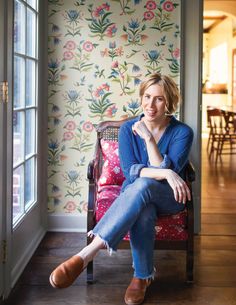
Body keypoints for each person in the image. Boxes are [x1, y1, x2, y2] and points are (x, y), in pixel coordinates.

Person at [49, 73, 194, 305]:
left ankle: (86, 254)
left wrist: (149, 140)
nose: (150, 104)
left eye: (159, 99)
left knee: (145, 183)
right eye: (147, 96)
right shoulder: (127, 129)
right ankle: (142, 277)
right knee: (143, 206)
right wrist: (166, 171)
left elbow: (156, 176)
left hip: (170, 196)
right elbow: (130, 172)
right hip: (137, 195)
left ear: (169, 102)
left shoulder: (183, 132)